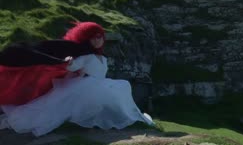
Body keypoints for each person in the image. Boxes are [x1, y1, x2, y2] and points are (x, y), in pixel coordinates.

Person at [0, 21, 154, 136]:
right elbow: (70, 66)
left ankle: (118, 119)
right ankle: (90, 124)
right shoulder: (85, 56)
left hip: (98, 84)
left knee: (122, 86)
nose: (97, 40)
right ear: (86, 39)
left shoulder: (103, 58)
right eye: (93, 38)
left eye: (100, 37)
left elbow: (101, 74)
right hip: (85, 85)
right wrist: (68, 62)